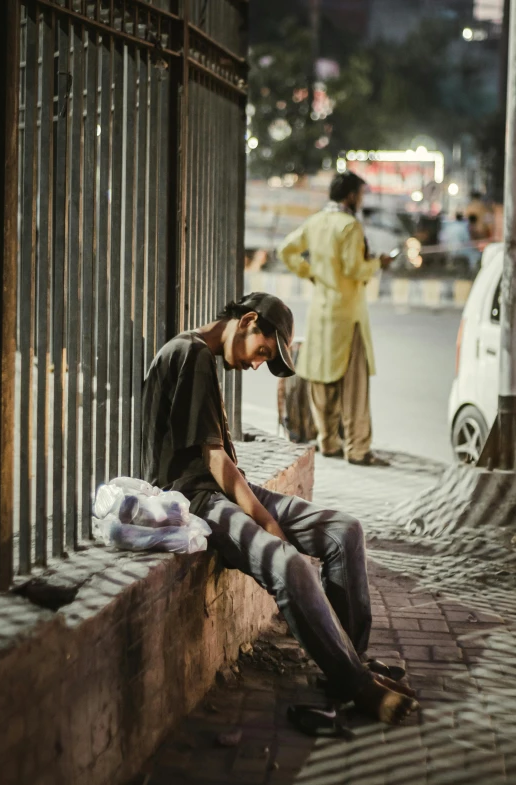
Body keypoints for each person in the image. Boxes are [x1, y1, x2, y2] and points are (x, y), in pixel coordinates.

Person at [141, 292, 417, 724]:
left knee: (346, 532)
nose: (255, 364)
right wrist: (266, 520)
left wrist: (258, 507)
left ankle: (349, 663)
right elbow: (214, 461)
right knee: (288, 565)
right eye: (262, 351)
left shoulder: (199, 354)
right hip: (196, 499)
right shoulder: (190, 354)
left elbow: (219, 460)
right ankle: (358, 686)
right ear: (249, 321)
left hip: (225, 488)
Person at [278, 172, 391, 465]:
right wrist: (379, 263)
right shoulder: (349, 226)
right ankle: (357, 449)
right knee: (354, 385)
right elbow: (355, 269)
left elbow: (286, 250)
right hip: (348, 314)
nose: (361, 200)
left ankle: (328, 441)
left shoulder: (316, 222)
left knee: (321, 379)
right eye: (361, 194)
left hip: (321, 311)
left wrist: (311, 272)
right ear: (351, 196)